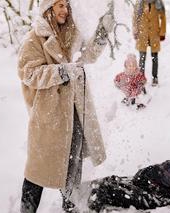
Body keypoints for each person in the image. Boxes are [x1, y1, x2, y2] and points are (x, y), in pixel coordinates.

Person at [17, 0, 115, 212]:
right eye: (59, 5)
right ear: (47, 8)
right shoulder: (33, 39)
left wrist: (102, 32)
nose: (65, 10)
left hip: (75, 115)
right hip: (49, 118)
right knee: (38, 172)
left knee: (72, 172)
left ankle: (71, 209)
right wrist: (62, 72)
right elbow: (28, 74)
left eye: (67, 5)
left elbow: (88, 55)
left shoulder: (72, 34)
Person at [87, 148, 170, 212]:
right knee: (114, 183)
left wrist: (141, 178)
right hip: (153, 193)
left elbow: (152, 174)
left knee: (105, 189)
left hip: (146, 195)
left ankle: (87, 206)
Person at [133, 0, 166, 87]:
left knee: (154, 57)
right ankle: (141, 78)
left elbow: (163, 17)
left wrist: (162, 32)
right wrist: (135, 31)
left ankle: (154, 77)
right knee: (142, 58)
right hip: (142, 34)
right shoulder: (139, 2)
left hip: (154, 34)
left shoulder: (158, 2)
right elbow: (135, 17)